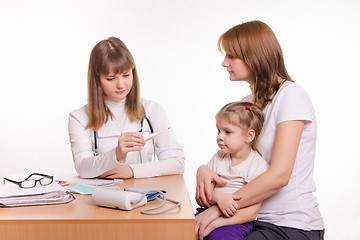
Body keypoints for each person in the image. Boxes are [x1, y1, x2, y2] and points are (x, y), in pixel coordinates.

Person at [195, 20, 325, 240]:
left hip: (289, 224)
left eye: (231, 56)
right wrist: (203, 170)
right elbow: (235, 162)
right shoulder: (247, 105)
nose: (224, 63)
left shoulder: (291, 96)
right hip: (249, 217)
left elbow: (279, 176)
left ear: (254, 56)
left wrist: (222, 206)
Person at [68, 37, 185, 179]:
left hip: (145, 196)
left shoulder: (153, 111)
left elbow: (177, 162)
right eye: (111, 78)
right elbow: (83, 169)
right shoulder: (79, 118)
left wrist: (132, 171)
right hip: (102, 197)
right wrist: (116, 154)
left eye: (126, 75)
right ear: (96, 79)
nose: (121, 85)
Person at [195, 101, 269, 240]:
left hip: (234, 221)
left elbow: (251, 213)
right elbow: (206, 195)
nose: (219, 137)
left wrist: (216, 224)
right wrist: (219, 197)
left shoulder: (257, 165)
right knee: (181, 231)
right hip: (207, 212)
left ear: (249, 136)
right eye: (218, 130)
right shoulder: (218, 158)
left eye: (227, 132)